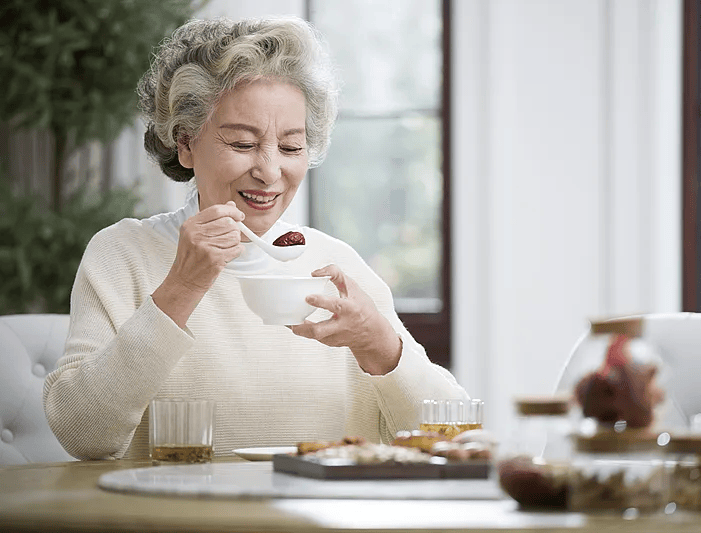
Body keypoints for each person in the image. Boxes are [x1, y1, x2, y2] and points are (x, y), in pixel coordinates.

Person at [43, 16, 470, 460]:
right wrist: (182, 287)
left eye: (290, 148)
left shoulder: (337, 264)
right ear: (186, 143)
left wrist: (380, 344)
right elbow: (83, 436)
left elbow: (457, 439)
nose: (269, 171)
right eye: (243, 144)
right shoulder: (124, 254)